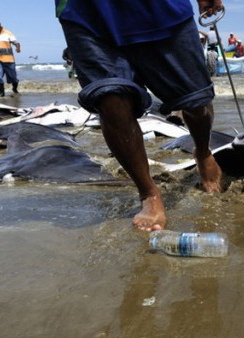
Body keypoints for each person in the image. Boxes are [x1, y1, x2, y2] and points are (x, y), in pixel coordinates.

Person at [55, 0, 224, 231]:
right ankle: (148, 192)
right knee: (109, 98)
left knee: (196, 102)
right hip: (86, 14)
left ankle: (203, 151)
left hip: (163, 10)